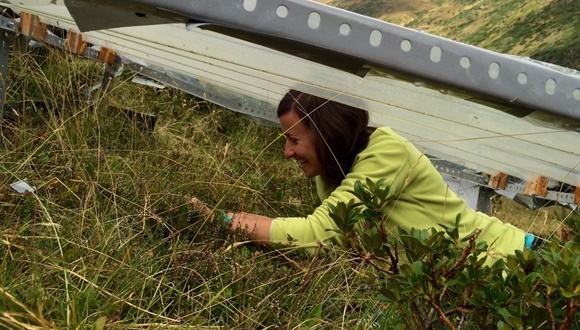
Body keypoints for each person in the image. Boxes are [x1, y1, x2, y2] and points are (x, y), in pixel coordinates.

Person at [192, 89, 538, 263]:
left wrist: (223, 220)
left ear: (327, 133)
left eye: (294, 139)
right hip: (452, 281)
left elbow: (317, 235)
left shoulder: (386, 152)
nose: (287, 152)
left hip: (511, 261)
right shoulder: (330, 175)